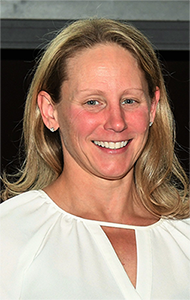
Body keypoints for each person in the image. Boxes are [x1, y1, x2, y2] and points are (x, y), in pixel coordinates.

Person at [0, 18, 190, 299]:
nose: (116, 122)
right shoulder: (10, 235)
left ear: (152, 109)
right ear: (50, 111)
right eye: (93, 102)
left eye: (129, 101)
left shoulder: (184, 235)